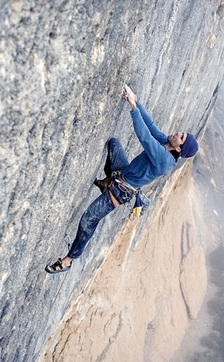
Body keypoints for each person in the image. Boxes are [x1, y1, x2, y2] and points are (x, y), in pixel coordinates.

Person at [46, 84, 199, 274]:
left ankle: (69, 260)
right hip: (122, 173)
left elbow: (145, 137)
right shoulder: (167, 143)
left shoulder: (165, 160)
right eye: (181, 133)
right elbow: (151, 127)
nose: (177, 133)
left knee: (88, 219)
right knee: (114, 144)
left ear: (179, 149)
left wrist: (133, 107)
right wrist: (137, 100)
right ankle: (107, 181)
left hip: (120, 192)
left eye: (181, 137)